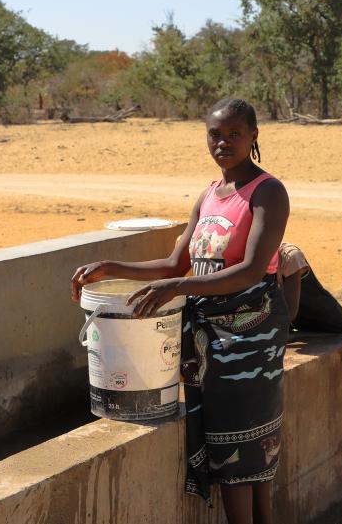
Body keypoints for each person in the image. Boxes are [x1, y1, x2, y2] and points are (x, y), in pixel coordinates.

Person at [71, 98, 290, 524]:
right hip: (211, 335)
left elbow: (250, 270)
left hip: (250, 332)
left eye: (234, 134)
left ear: (254, 136)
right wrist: (111, 267)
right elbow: (175, 264)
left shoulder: (268, 192)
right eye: (215, 134)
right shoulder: (209, 195)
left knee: (244, 443)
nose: (223, 142)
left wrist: (178, 287)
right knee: (238, 444)